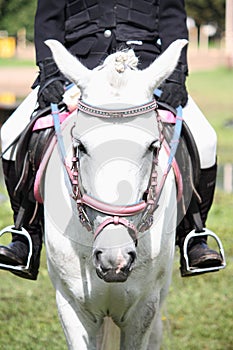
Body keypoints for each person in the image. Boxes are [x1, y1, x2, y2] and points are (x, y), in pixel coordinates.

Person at [0, 0, 224, 280]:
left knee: (205, 139)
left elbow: (172, 21)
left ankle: (193, 234)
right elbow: (48, 22)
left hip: (144, 73)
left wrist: (176, 78)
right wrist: (49, 75)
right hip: (79, 71)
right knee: (9, 135)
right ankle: (26, 235)